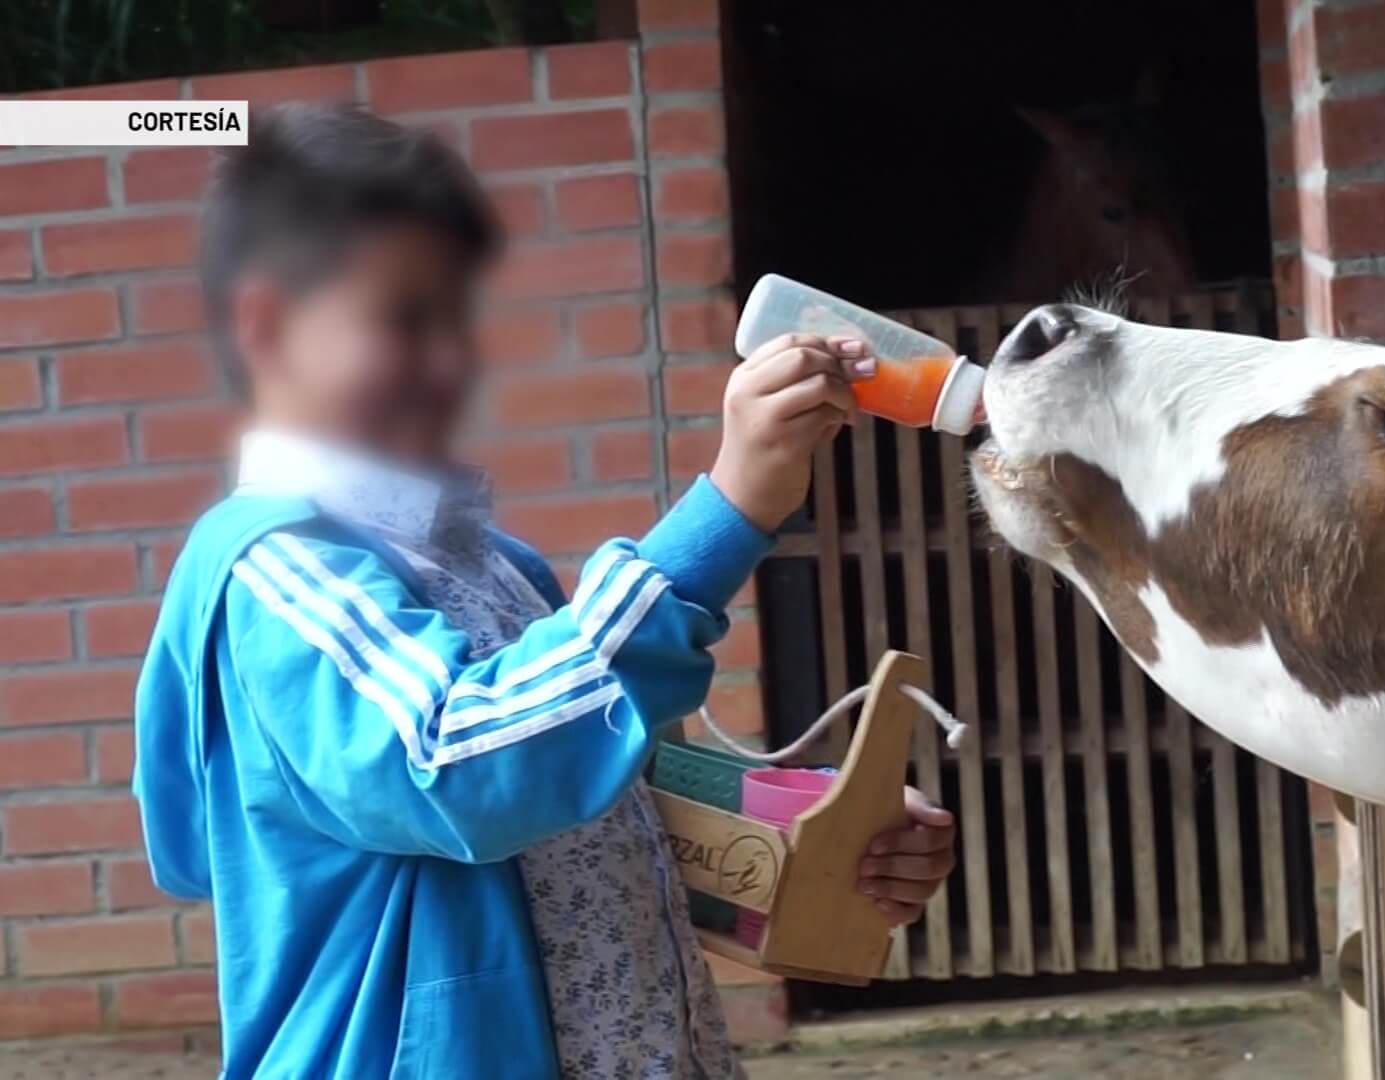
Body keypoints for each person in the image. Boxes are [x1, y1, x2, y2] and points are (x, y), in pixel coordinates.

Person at [133, 103, 956, 1079]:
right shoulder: (275, 579)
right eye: (402, 317)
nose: (450, 357)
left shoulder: (492, 566)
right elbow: (459, 762)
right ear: (266, 324)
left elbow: (604, 795)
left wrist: (819, 832)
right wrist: (726, 514)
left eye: (456, 314)